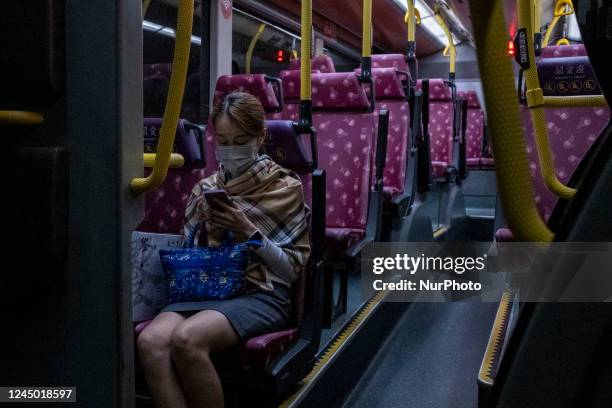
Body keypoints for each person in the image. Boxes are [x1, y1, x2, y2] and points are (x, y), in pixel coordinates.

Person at [137, 92, 311, 408]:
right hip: (206, 285)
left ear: (261, 138)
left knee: (187, 339)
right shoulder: (205, 189)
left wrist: (248, 229)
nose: (231, 150)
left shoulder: (285, 187)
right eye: (224, 141)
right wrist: (205, 226)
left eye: (241, 140)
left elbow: (289, 269)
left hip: (260, 291)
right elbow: (188, 255)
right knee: (151, 341)